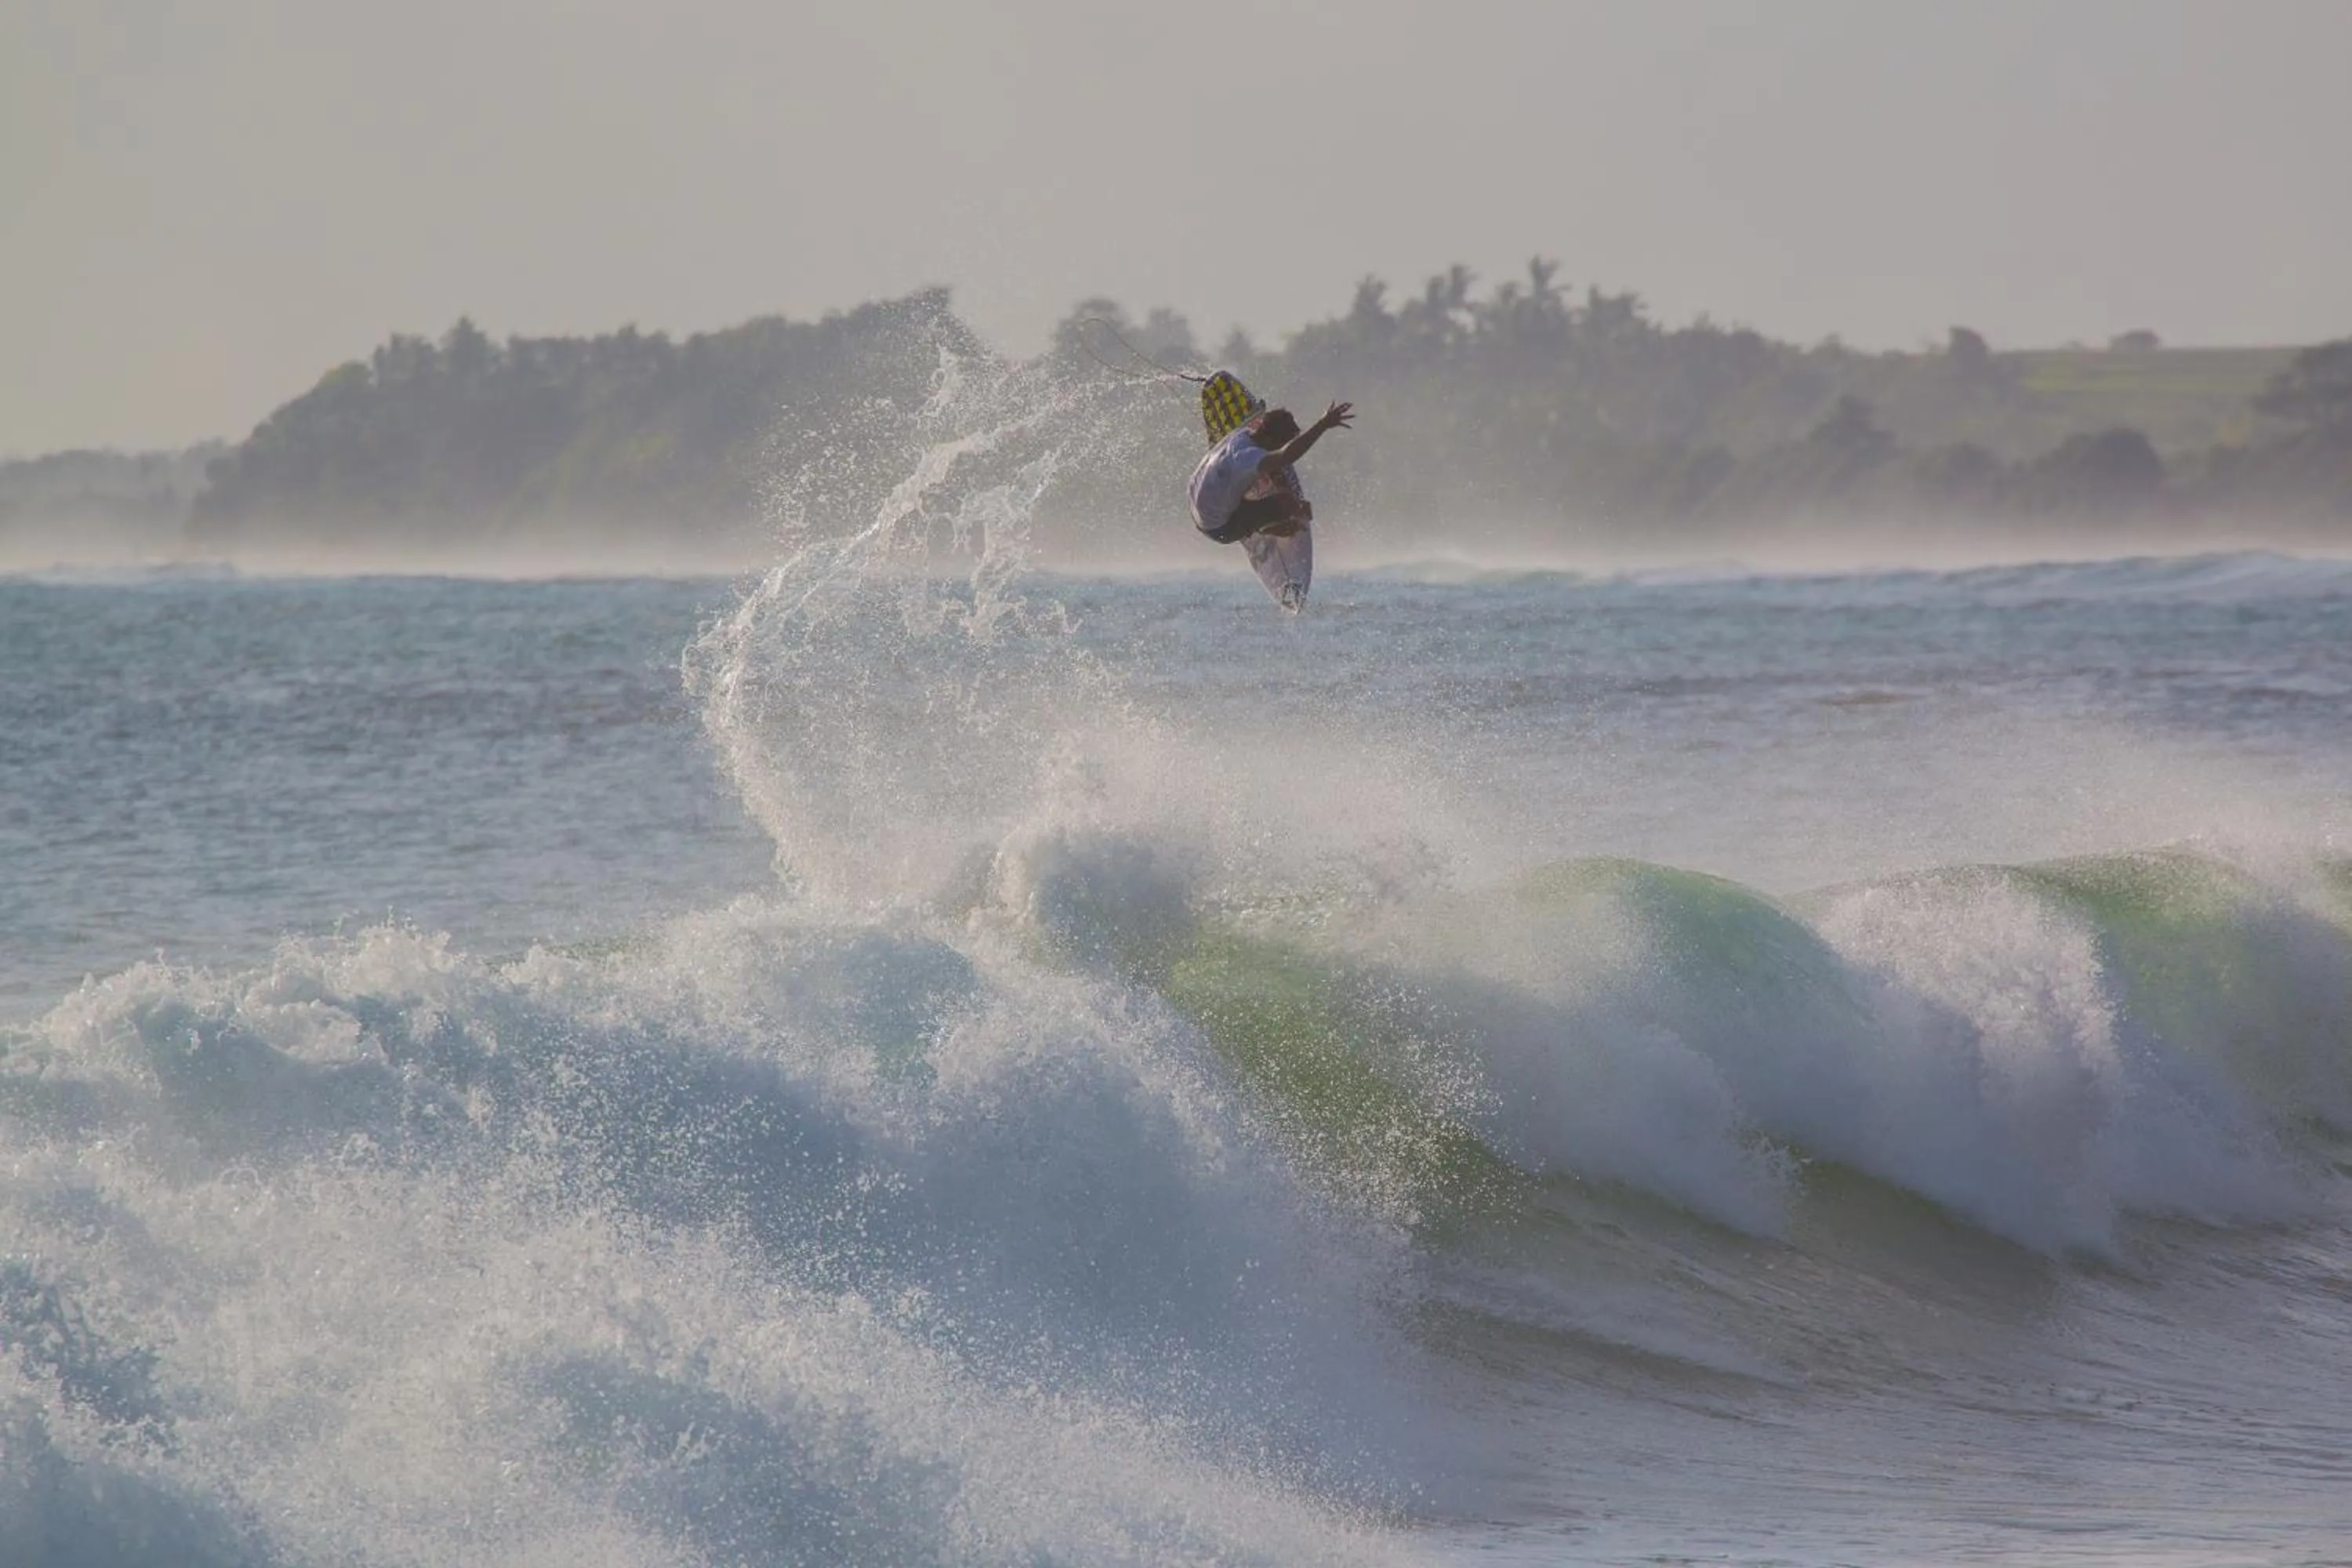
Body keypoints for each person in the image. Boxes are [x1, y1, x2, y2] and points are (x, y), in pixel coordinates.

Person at [1188, 400, 1354, 544]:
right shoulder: (1247, 458)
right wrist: (1323, 424)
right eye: (1281, 444)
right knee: (1286, 504)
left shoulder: (1242, 435)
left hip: (1194, 503)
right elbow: (1286, 456)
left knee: (1271, 471)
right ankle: (1264, 529)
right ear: (1269, 439)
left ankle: (1254, 506)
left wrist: (1288, 491)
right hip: (1218, 529)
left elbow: (1278, 460)